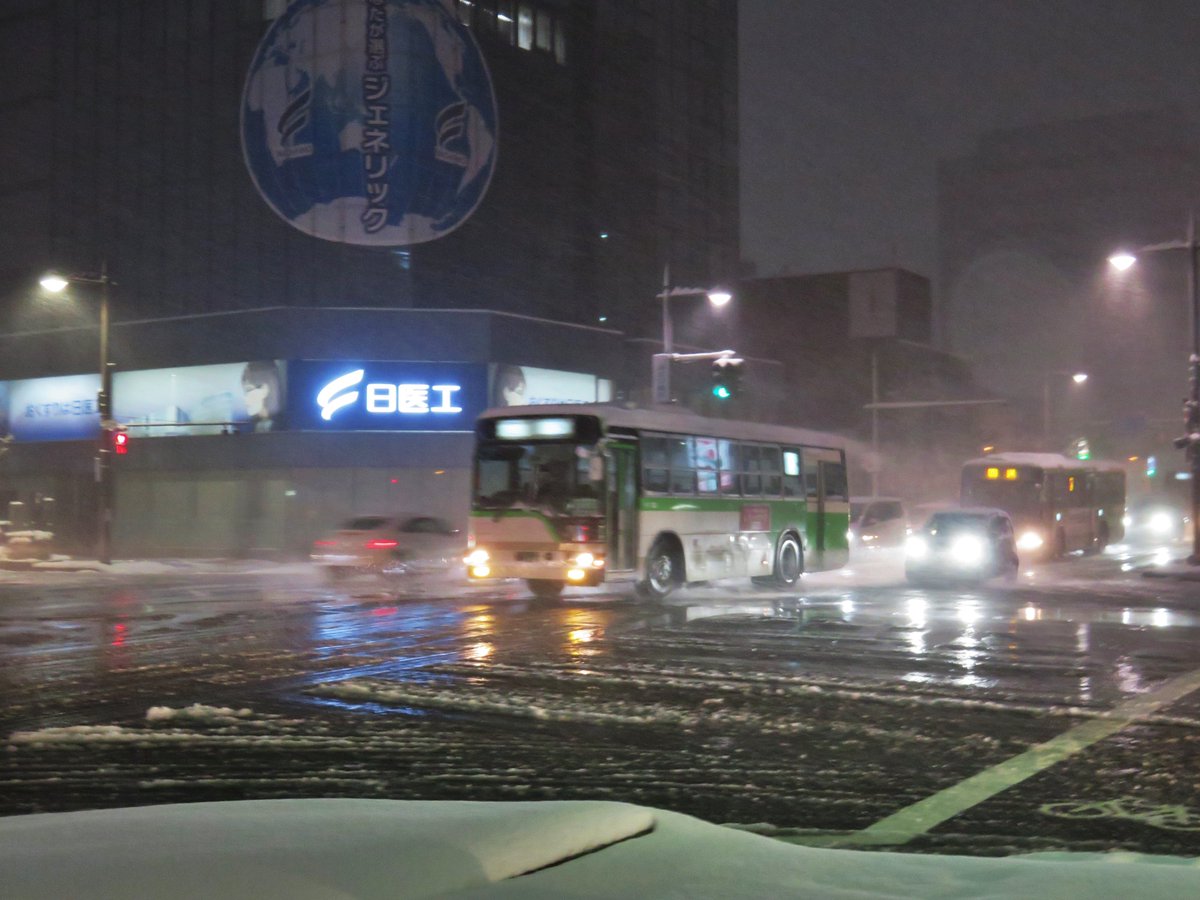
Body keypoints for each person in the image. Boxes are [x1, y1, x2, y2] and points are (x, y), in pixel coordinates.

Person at [241, 361, 285, 432]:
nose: (245, 398)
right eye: (245, 392)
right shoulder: (244, 428)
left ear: (264, 390)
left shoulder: (283, 427)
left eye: (249, 390)